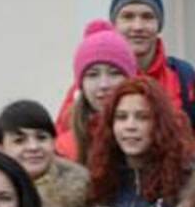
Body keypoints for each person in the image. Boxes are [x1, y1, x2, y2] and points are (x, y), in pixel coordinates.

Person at [87, 77, 195, 207]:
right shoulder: (101, 185)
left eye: (142, 117)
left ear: (160, 124)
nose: (130, 126)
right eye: (121, 117)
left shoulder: (186, 185)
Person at [106, 0, 195, 145]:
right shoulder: (98, 82)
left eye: (147, 17)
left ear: (159, 24)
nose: (138, 26)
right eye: (128, 17)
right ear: (114, 24)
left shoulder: (188, 82)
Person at [0, 100, 91, 207]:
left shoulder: (84, 198)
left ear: (54, 142)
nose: (33, 147)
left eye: (41, 138)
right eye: (19, 140)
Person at [55, 20, 138, 166]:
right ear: (81, 85)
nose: (103, 84)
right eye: (93, 75)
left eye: (114, 73)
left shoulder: (151, 136)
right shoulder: (63, 149)